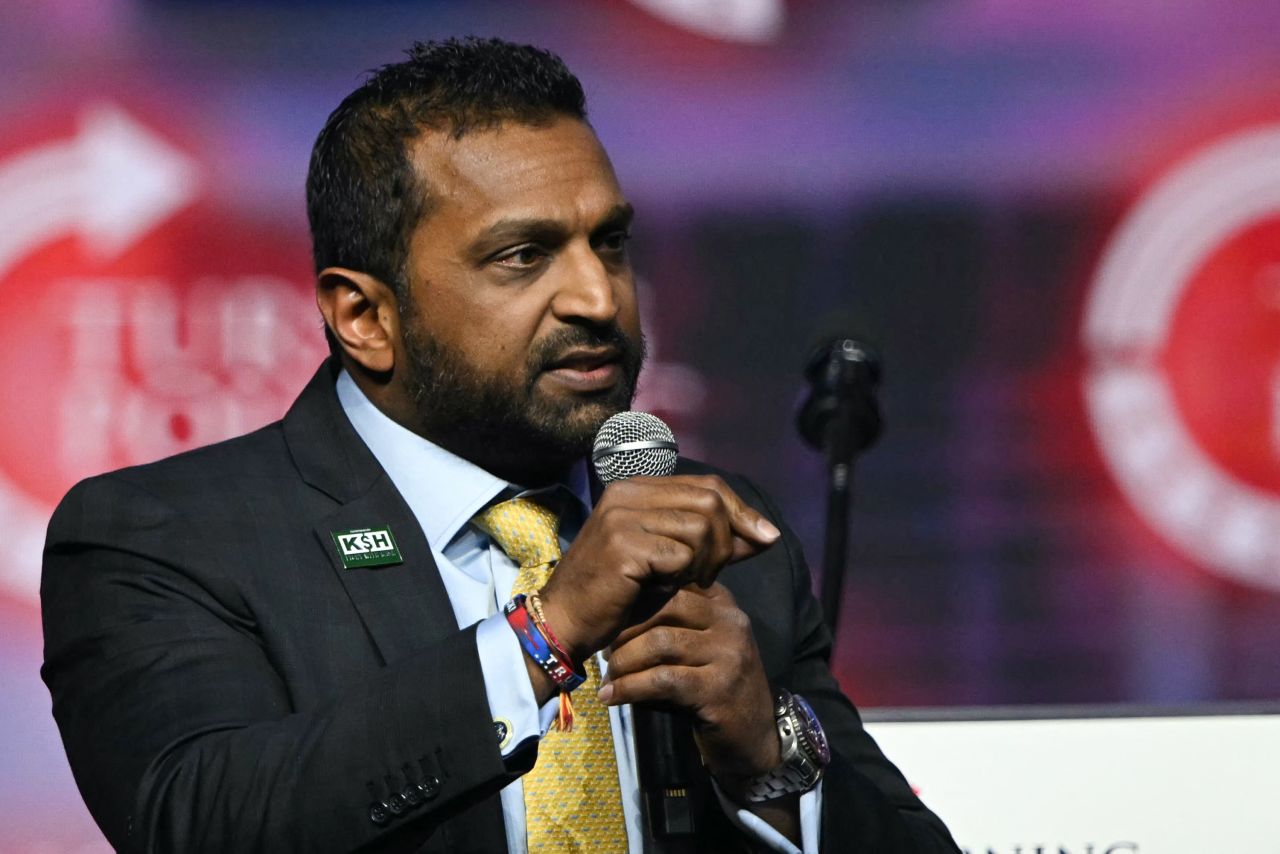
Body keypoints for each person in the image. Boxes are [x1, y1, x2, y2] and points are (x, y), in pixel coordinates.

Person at [41, 38, 958, 854]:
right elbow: (199, 820)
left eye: (611, 244)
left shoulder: (720, 536)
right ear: (365, 316)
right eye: (523, 256)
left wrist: (766, 757)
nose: (598, 299)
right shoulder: (160, 536)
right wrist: (545, 632)